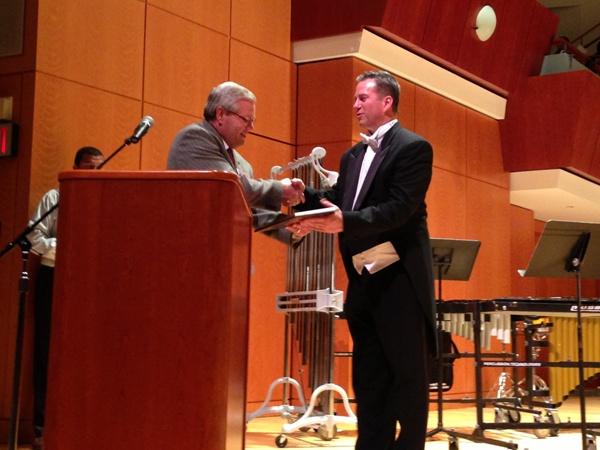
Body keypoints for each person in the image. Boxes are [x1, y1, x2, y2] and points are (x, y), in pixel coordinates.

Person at [291, 70, 436, 450]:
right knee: (369, 375)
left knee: (407, 374)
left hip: (399, 278)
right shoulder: (353, 154)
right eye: (355, 99)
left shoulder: (414, 148)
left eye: (362, 98)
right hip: (365, 277)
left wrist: (345, 221)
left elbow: (399, 209)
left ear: (386, 102)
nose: (355, 105)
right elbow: (339, 198)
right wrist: (303, 197)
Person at [27, 146, 105, 450]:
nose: (94, 173)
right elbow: (35, 238)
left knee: (88, 351)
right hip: (55, 276)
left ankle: (85, 424)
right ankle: (42, 428)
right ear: (74, 167)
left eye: (99, 168)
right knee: (48, 350)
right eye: (88, 167)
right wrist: (70, 245)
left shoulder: (106, 199)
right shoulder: (55, 197)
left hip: (93, 279)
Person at [167, 81, 305, 234]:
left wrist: (291, 227)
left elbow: (249, 211)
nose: (251, 127)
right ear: (220, 114)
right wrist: (280, 189)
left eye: (252, 121)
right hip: (189, 243)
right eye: (246, 119)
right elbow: (231, 187)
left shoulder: (243, 164)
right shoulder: (195, 137)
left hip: (224, 249)